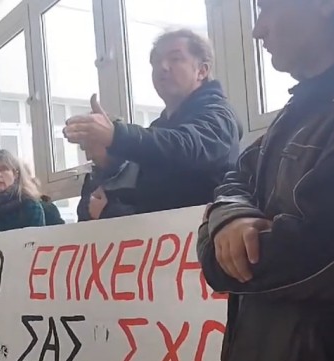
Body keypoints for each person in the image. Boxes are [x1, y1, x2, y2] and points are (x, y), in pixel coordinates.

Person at [196, 0, 334, 361]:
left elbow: (316, 249)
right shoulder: (296, 112)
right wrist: (231, 216)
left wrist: (223, 250)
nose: (257, 30)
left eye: (269, 8)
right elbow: (234, 179)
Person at [65, 29, 241, 219]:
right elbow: (154, 197)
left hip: (205, 233)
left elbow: (186, 146)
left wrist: (116, 135)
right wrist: (109, 167)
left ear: (202, 70)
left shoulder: (219, 115)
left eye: (175, 58)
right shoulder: (160, 126)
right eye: (156, 61)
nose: (162, 67)